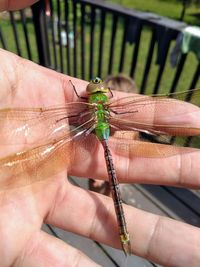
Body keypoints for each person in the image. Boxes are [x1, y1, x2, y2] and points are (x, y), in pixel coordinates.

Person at [0, 2, 200, 266]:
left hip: (95, 134)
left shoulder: (82, 109)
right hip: (106, 136)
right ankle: (123, 229)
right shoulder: (110, 105)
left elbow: (66, 107)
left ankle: (121, 227)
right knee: (114, 176)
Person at [89, 73, 138, 196]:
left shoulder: (131, 131)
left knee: (113, 192)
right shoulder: (95, 126)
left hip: (120, 172)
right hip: (98, 168)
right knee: (96, 189)